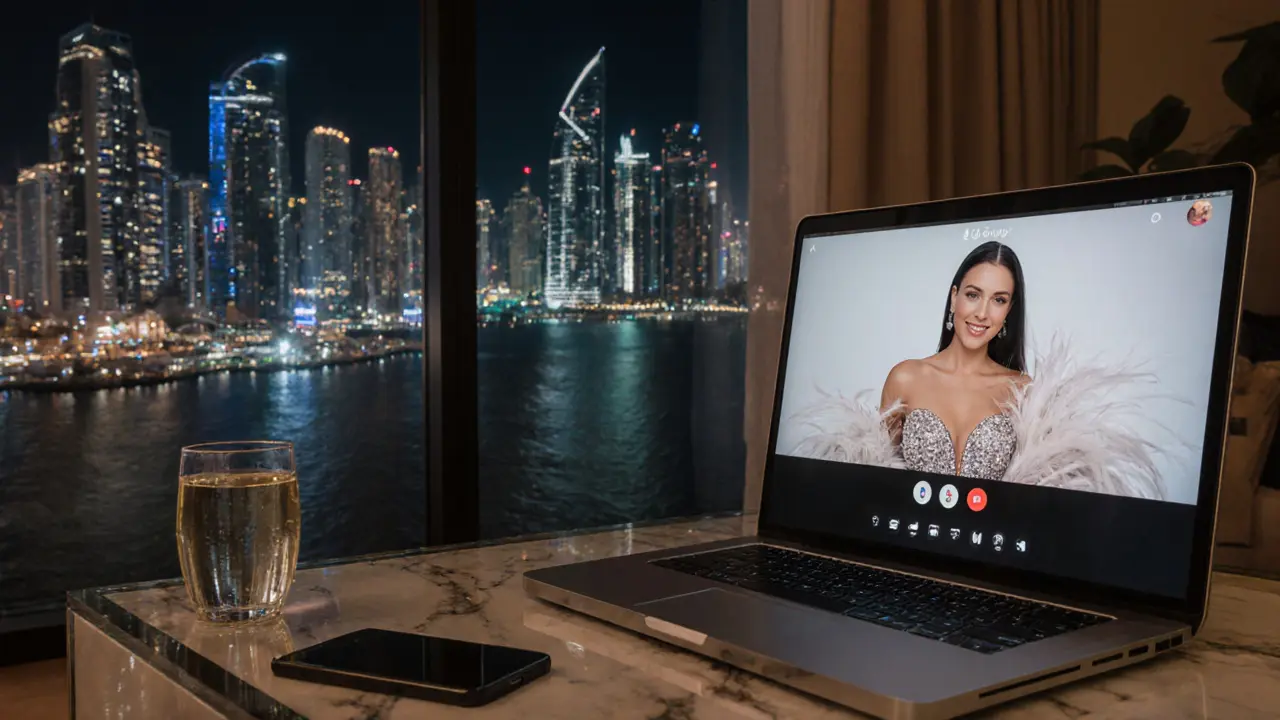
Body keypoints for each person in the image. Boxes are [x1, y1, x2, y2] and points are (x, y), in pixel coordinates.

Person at [879, 241, 1028, 479]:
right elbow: (879, 478)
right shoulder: (905, 379)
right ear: (954, 297)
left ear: (1009, 310)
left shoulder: (1023, 392)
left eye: (998, 300)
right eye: (973, 295)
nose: (982, 313)